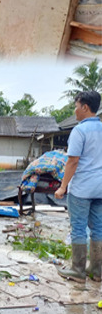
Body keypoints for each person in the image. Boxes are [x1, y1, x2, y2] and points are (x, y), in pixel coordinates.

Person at [55, 90, 102, 282]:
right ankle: (97, 271)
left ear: (85, 107)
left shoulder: (80, 130)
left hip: (82, 188)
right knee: (98, 227)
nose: (74, 111)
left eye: (76, 107)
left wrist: (62, 186)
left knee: (79, 228)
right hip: (100, 189)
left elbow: (72, 161)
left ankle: (78, 270)